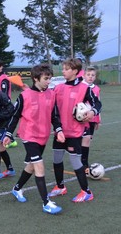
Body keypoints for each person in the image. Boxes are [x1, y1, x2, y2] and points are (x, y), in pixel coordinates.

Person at [3, 64, 65, 215]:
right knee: (39, 166)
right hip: (29, 135)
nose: (48, 81)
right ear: (36, 78)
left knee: (31, 166)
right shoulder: (25, 96)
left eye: (50, 78)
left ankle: (17, 189)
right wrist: (8, 134)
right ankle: (46, 203)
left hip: (43, 136)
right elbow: (15, 116)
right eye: (45, 78)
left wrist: (59, 130)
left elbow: (54, 116)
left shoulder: (51, 94)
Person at [49, 58, 102, 202]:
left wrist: (92, 113)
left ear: (75, 71)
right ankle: (60, 187)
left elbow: (97, 103)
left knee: (76, 162)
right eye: (64, 69)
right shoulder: (58, 88)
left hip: (75, 133)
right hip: (60, 132)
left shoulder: (85, 88)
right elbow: (51, 105)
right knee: (56, 159)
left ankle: (86, 192)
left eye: (66, 69)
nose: (64, 71)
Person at [81, 66, 101, 173]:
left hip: (93, 118)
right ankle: (83, 163)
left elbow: (98, 104)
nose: (90, 77)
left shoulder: (97, 88)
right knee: (83, 139)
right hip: (83, 118)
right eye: (88, 75)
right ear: (84, 76)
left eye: (92, 75)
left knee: (88, 140)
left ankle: (84, 161)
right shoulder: (81, 87)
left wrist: (98, 119)